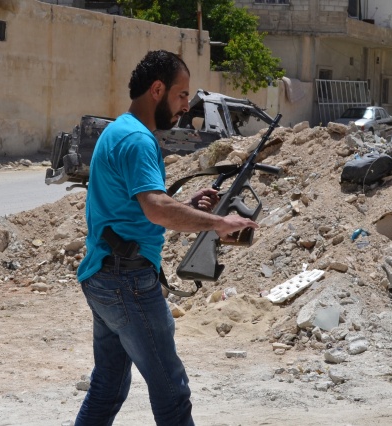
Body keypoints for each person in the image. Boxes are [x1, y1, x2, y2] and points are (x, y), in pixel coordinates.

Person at [74, 50, 258, 426]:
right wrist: (216, 223)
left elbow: (136, 207)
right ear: (157, 89)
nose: (186, 106)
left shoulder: (117, 130)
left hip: (102, 274)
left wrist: (188, 206)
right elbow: (156, 207)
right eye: (181, 95)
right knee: (171, 391)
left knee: (108, 385)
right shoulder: (140, 141)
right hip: (128, 282)